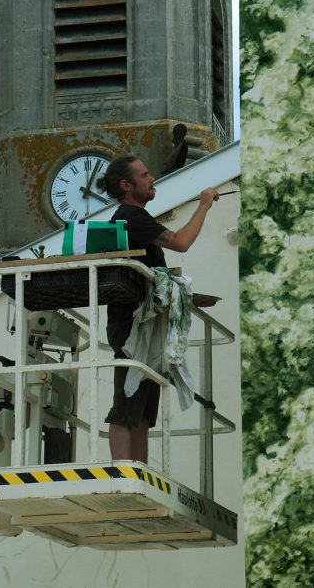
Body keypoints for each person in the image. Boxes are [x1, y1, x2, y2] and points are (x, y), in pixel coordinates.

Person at [95, 155, 219, 462]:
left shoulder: (132, 219)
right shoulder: (132, 217)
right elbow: (180, 242)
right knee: (127, 405)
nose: (152, 179)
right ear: (127, 185)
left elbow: (154, 280)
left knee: (141, 412)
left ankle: (137, 470)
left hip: (142, 323)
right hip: (133, 325)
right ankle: (125, 471)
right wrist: (203, 204)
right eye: (144, 174)